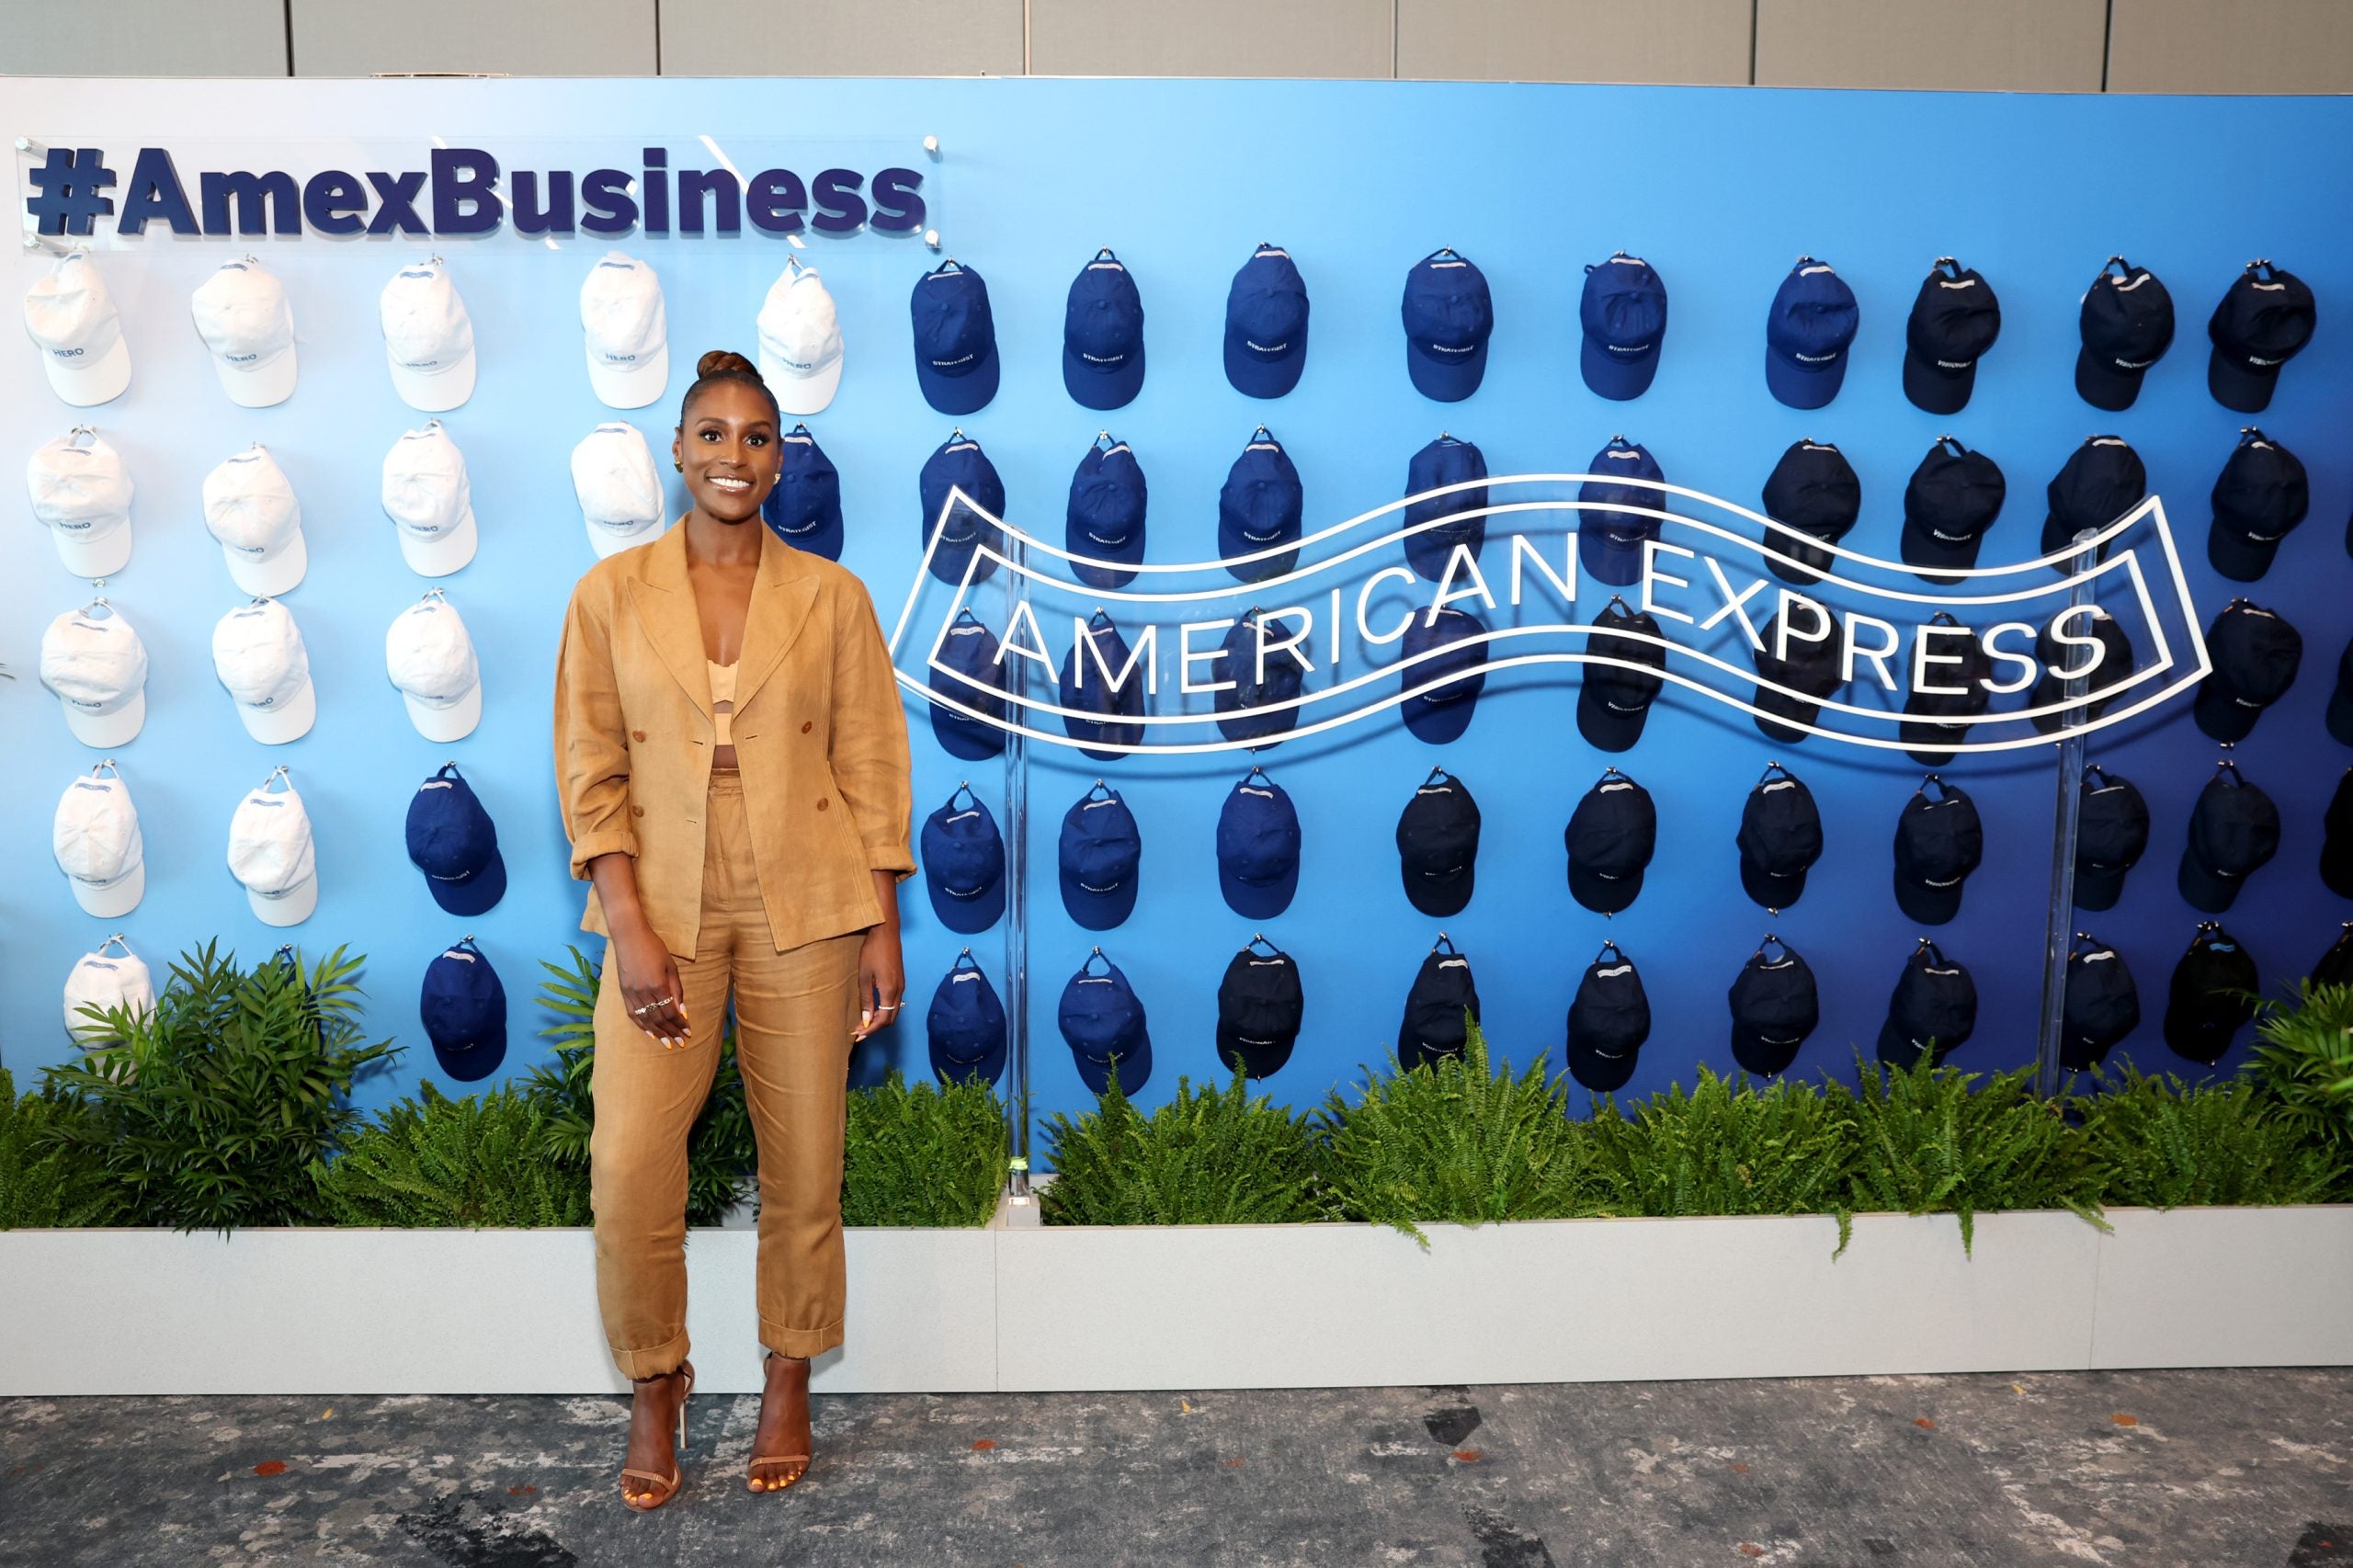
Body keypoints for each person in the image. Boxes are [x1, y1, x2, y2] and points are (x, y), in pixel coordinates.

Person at [553, 348, 915, 1510]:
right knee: (627, 1161)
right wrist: (627, 920)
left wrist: (881, 924)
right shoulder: (609, 595)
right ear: (676, 449)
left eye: (756, 437)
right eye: (711, 434)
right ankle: (655, 1378)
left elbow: (870, 765)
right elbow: (590, 770)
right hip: (660, 895)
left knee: (804, 1159)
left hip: (805, 892)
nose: (733, 455)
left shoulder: (832, 596)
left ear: (780, 459)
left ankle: (789, 1371)